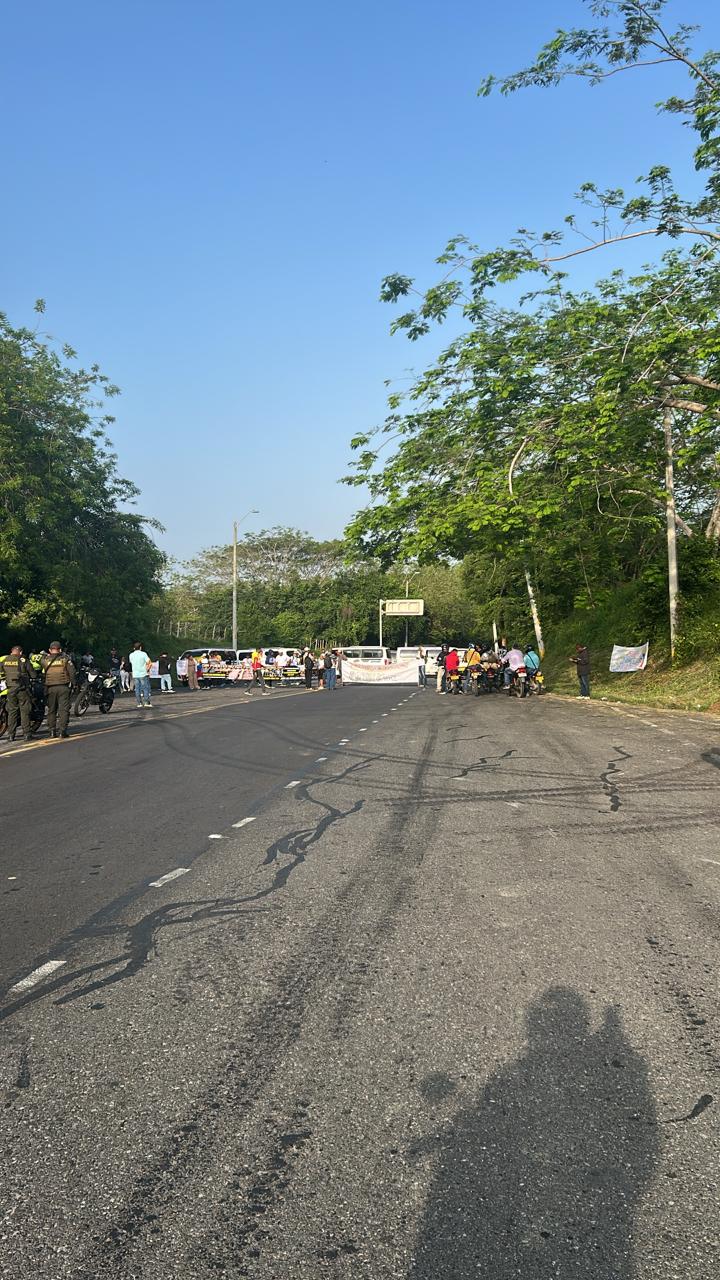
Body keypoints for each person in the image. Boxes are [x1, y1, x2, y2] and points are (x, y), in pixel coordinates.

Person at [0, 645, 35, 741]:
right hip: (22, 689)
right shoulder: (23, 660)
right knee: (25, 711)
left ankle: (11, 735)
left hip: (10, 689)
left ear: (11, 652)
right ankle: (27, 734)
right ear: (20, 652)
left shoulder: (5, 660)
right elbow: (33, 674)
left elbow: (1, 672)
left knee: (12, 712)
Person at [42, 641, 76, 738]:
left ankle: (52, 732)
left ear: (49, 650)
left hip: (50, 688)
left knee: (51, 710)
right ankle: (62, 731)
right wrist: (74, 684)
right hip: (63, 687)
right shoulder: (65, 660)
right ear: (60, 650)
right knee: (63, 710)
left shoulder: (45, 660)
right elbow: (72, 673)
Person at [130, 642, 153, 708]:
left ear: (134, 648)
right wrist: (147, 670)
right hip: (143, 673)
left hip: (135, 674)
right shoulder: (143, 654)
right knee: (145, 688)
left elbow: (131, 662)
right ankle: (146, 702)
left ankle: (139, 703)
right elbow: (149, 663)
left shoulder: (131, 655)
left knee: (137, 689)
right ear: (140, 647)